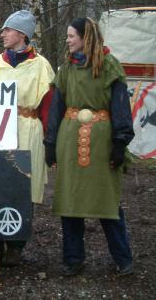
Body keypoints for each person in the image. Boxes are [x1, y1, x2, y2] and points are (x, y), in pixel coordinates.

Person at [44, 17, 135, 277]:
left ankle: (122, 258)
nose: (68, 40)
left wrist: (120, 142)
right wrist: (50, 142)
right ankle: (73, 259)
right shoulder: (66, 69)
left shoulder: (109, 66)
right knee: (70, 200)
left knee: (107, 201)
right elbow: (56, 109)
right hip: (69, 141)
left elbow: (120, 107)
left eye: (72, 35)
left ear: (86, 37)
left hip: (101, 142)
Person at [0, 10, 55, 266]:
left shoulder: (41, 65)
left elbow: (47, 106)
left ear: (21, 34)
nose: (2, 34)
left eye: (7, 30)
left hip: (28, 130)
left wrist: (49, 141)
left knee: (22, 188)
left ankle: (16, 247)